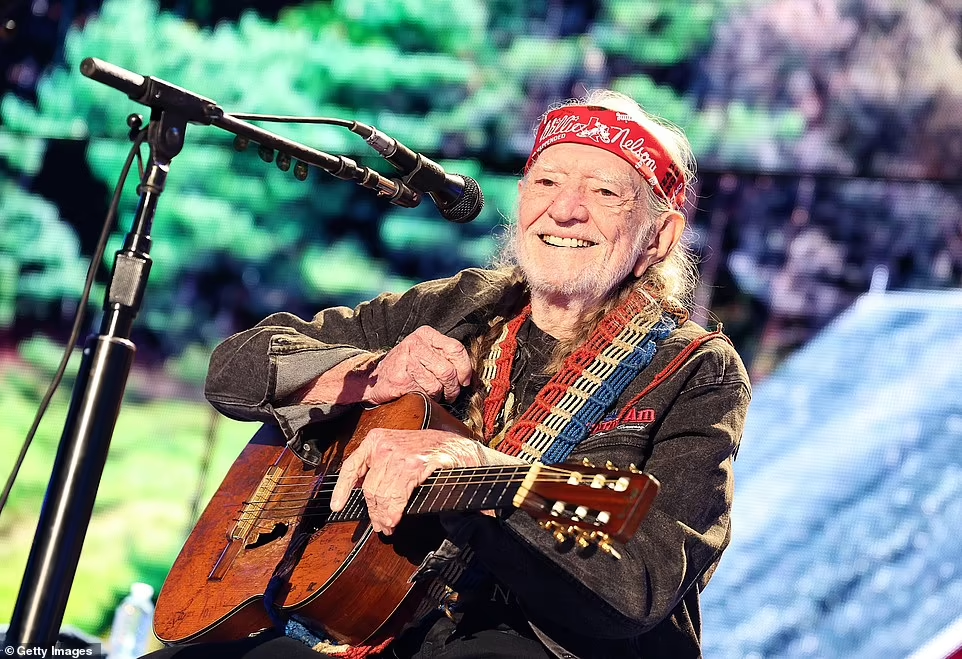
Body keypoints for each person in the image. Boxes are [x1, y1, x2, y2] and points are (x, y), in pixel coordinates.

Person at [152, 89, 751, 659]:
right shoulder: (456, 307)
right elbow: (233, 370)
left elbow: (645, 580)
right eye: (546, 182)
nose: (565, 210)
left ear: (659, 236)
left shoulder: (695, 370)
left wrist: (482, 471)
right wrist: (372, 376)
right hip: (364, 630)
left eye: (603, 193)